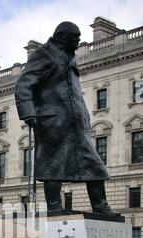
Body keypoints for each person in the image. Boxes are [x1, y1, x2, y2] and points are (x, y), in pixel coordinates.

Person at [15, 21, 117, 216]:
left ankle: (100, 205)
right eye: (75, 38)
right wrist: (28, 111)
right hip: (52, 121)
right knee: (53, 163)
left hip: (75, 123)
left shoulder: (69, 56)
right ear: (63, 37)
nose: (78, 41)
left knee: (94, 165)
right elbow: (23, 85)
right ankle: (54, 207)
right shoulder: (45, 54)